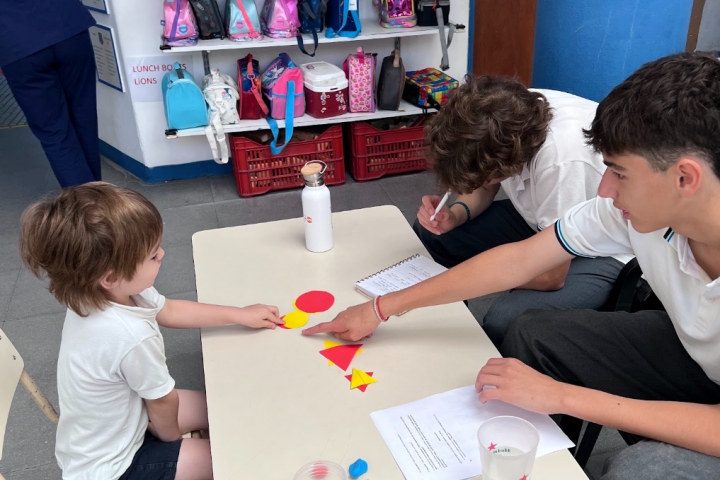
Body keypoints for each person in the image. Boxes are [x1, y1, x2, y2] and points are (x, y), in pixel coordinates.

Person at [304, 52, 720, 478]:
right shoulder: (630, 209)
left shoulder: (581, 173)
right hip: (695, 355)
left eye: (619, 173)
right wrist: (380, 308)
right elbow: (520, 260)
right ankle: (529, 459)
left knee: (639, 469)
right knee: (531, 332)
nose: (603, 188)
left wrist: (561, 396)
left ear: (685, 178)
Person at [19, 182, 283, 480]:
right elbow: (162, 401)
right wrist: (170, 438)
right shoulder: (129, 334)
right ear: (111, 277)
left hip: (123, 419)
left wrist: (240, 314)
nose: (163, 254)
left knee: (228, 407)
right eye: (152, 256)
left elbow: (169, 310)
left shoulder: (97, 291)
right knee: (236, 456)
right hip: (116, 468)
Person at [413, 76, 628, 345]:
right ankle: (444, 326)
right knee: (434, 234)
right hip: (545, 216)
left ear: (507, 164)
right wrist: (456, 214)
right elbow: (485, 184)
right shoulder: (503, 111)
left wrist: (465, 277)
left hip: (608, 247)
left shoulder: (561, 161)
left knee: (507, 319)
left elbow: (551, 276)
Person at [0, 0, 101, 187]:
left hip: (14, 40)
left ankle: (89, 203)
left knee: (54, 132)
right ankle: (100, 196)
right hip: (67, 25)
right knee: (84, 117)